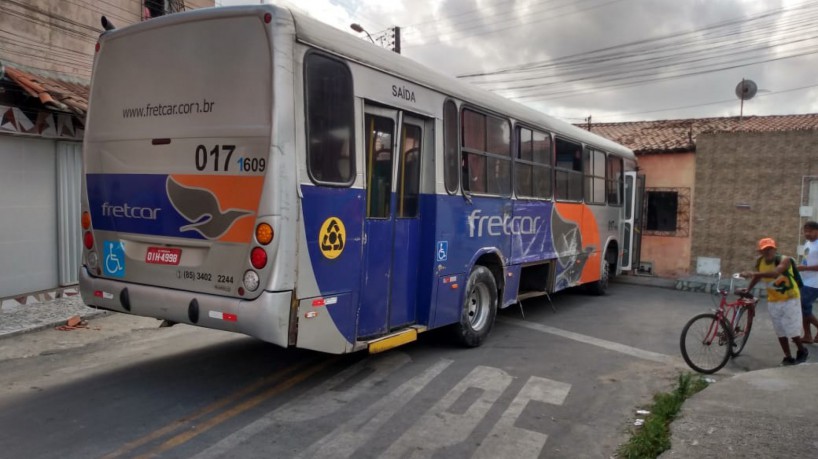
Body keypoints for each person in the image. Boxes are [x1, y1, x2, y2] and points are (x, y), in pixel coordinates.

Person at [739, 237, 809, 365]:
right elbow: (757, 277)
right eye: (765, 250)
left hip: (790, 298)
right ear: (760, 251)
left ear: (775, 249)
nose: (768, 252)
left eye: (770, 249)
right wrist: (748, 288)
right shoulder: (760, 262)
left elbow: (774, 273)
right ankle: (788, 356)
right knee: (780, 330)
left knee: (792, 330)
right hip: (773, 300)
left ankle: (802, 350)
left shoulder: (784, 260)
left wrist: (752, 273)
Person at [799, 221, 818, 343]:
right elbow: (806, 260)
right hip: (805, 280)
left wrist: (804, 268)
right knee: (804, 308)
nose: (807, 233)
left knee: (804, 306)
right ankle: (807, 335)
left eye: (810, 231)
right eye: (805, 231)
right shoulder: (807, 243)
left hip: (815, 282)